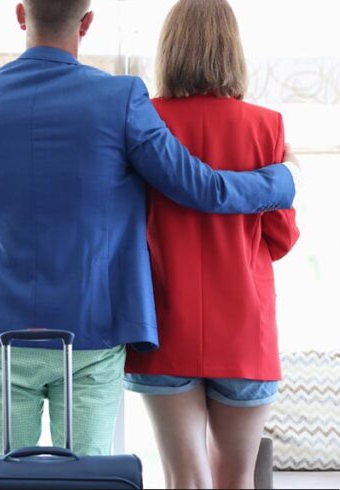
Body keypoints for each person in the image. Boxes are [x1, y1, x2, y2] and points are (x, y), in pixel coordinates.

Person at [0, 0, 300, 458]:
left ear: (19, 14)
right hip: (90, 330)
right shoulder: (120, 100)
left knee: (1, 477)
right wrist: (285, 179)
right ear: (87, 22)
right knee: (89, 478)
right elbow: (201, 188)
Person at [122, 1, 300, 488]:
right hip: (245, 331)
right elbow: (280, 239)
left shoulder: (145, 120)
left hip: (165, 322)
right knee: (236, 479)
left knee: (184, 479)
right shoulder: (266, 126)